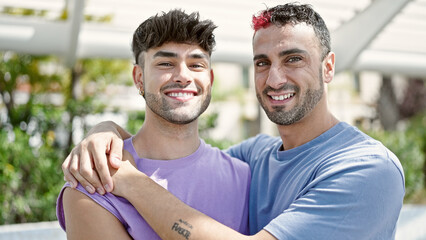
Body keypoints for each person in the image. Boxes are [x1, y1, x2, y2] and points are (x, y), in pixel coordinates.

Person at [62, 3, 405, 239]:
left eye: (293, 59)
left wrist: (131, 181)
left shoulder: (368, 169)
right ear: (139, 77)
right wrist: (104, 131)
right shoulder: (255, 158)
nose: (274, 79)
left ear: (328, 67)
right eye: (261, 63)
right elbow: (177, 156)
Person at [56, 9, 251, 240]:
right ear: (139, 78)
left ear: (210, 79)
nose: (183, 76)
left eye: (196, 65)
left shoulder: (244, 177)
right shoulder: (93, 180)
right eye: (166, 63)